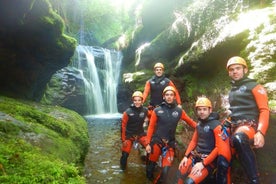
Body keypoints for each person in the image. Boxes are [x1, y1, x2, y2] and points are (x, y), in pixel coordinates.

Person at [221, 56, 270, 183]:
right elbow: (235, 111)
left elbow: (264, 110)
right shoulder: (233, 90)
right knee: (221, 157)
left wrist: (260, 132)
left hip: (249, 125)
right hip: (235, 124)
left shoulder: (255, 86)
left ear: (245, 70)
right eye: (231, 70)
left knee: (239, 139)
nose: (235, 71)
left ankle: (255, 180)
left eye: (238, 68)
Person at [145, 86, 197, 183]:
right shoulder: (157, 110)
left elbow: (190, 122)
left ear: (174, 97)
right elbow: (151, 127)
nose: (169, 97)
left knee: (165, 171)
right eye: (167, 95)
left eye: (171, 95)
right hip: (156, 142)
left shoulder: (179, 111)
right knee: (150, 169)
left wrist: (201, 126)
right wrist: (148, 143)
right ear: (163, 97)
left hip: (170, 144)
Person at [176, 96, 231, 184]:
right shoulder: (199, 124)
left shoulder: (216, 125)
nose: (202, 112)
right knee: (179, 174)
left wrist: (203, 164)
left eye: (204, 109)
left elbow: (218, 148)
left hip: (208, 161)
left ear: (210, 110)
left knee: (189, 182)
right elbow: (193, 141)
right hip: (195, 156)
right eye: (199, 109)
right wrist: (186, 157)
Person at [120, 91, 149, 170]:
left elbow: (153, 118)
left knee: (150, 149)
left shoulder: (145, 110)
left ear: (142, 101)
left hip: (140, 134)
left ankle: (148, 167)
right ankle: (123, 170)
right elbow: (123, 126)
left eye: (139, 100)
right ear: (133, 101)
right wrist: (123, 140)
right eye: (135, 100)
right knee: (125, 154)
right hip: (129, 135)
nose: (137, 102)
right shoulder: (127, 112)